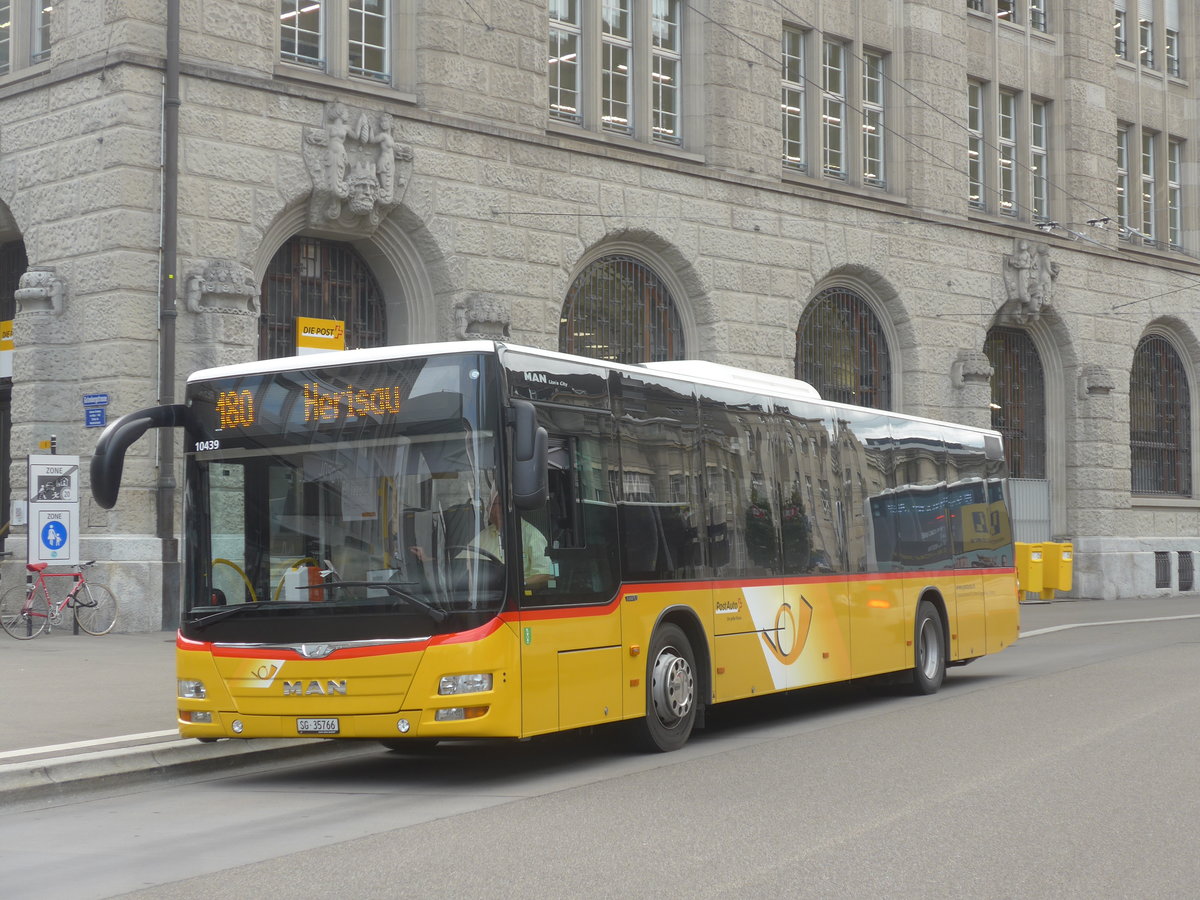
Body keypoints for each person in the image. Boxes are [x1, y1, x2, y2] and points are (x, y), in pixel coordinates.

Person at [468, 492, 553, 589]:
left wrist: (518, 586)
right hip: (485, 595)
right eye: (489, 505)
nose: (488, 509)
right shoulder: (483, 536)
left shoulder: (532, 535)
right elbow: (463, 563)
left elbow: (546, 575)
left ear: (506, 507)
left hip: (517, 597)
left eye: (492, 505)